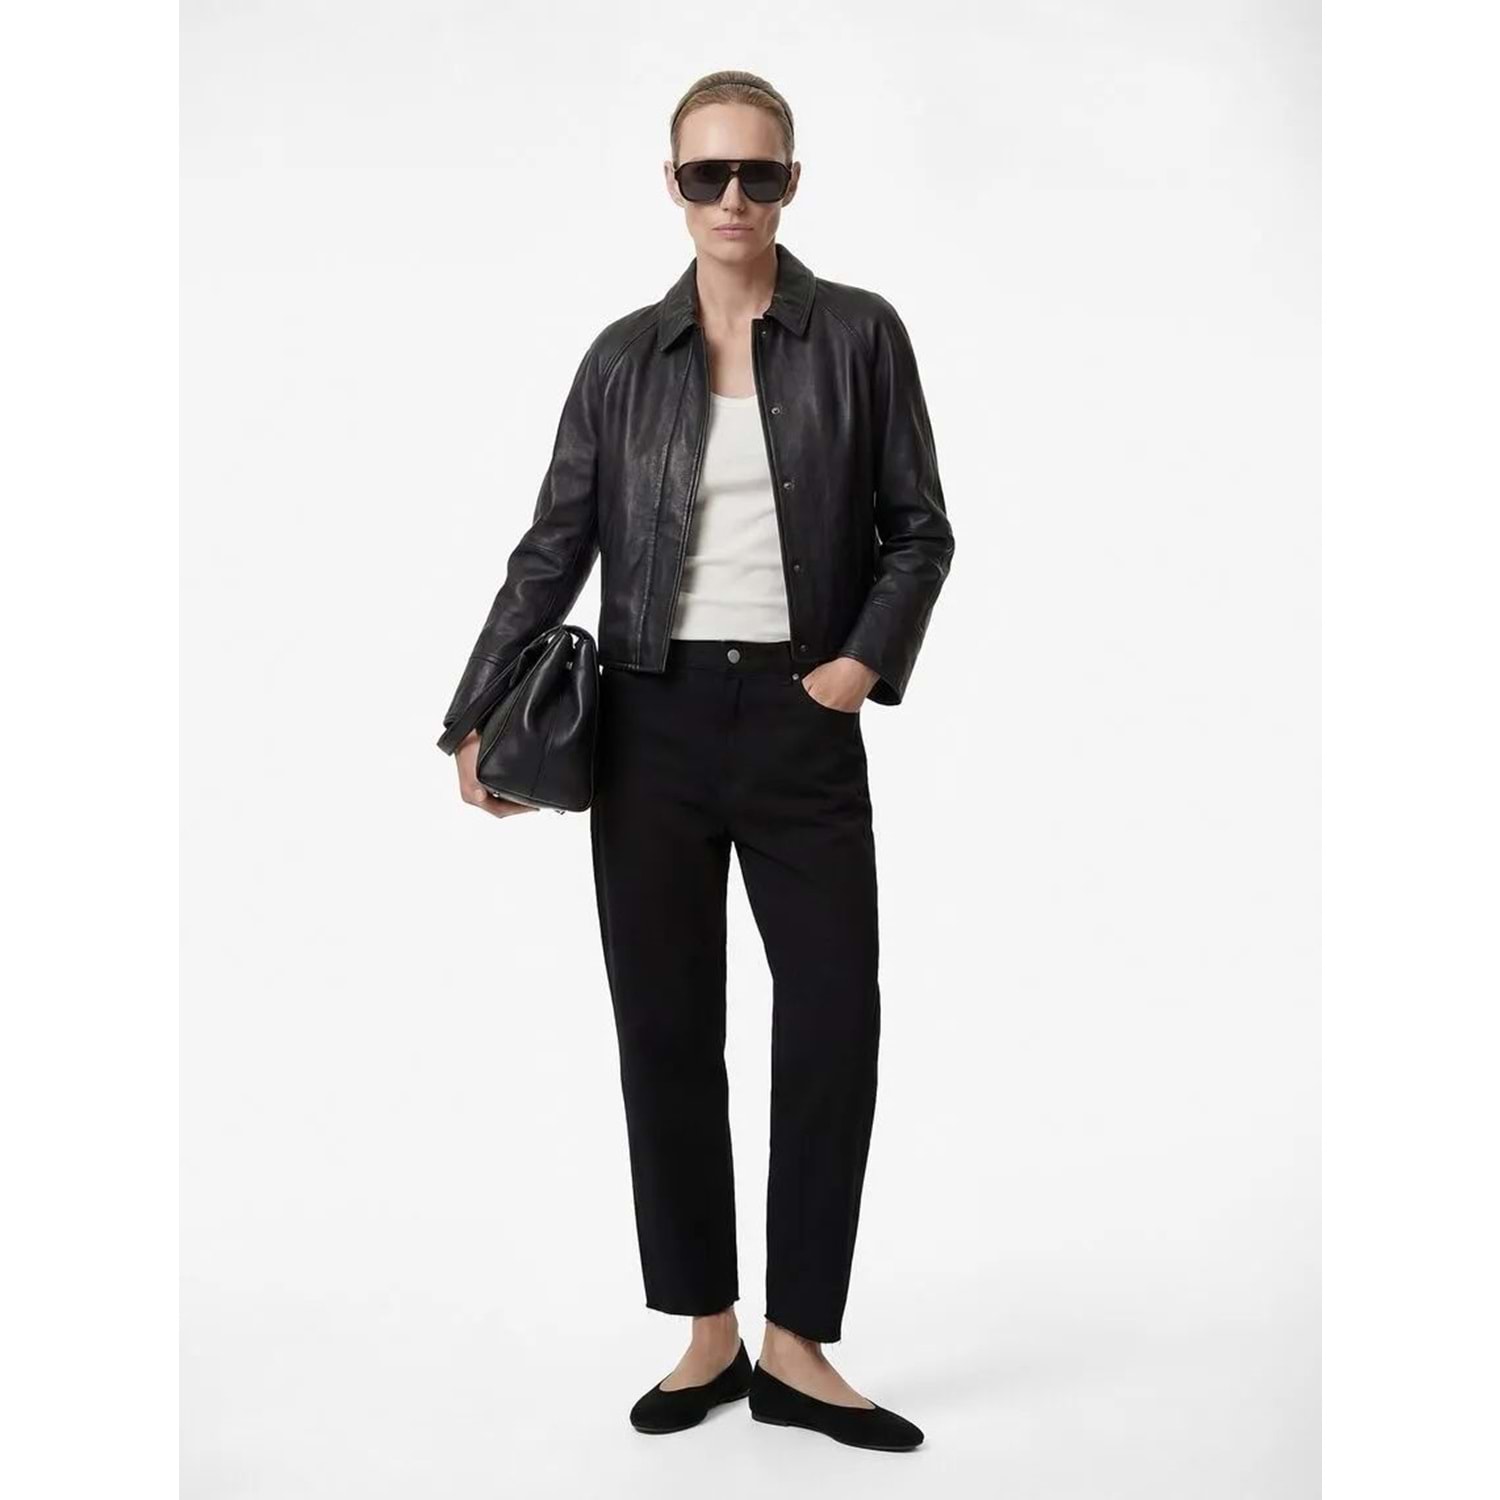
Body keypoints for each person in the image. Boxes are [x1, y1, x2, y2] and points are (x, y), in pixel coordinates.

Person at [436, 70, 954, 1453]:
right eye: (707, 174)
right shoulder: (621, 360)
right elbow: (553, 549)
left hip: (802, 722)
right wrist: (475, 714)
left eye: (758, 175)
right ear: (671, 186)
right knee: (665, 1030)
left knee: (832, 1020)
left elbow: (920, 529)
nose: (734, 198)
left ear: (792, 183)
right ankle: (708, 1331)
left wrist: (857, 666)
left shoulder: (860, 334)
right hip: (649, 726)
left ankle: (799, 1348)